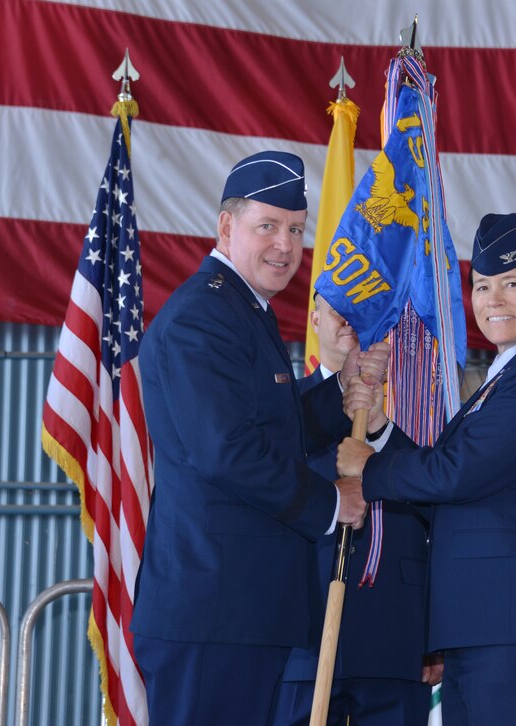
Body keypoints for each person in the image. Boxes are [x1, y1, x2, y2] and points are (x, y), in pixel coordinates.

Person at [132, 150, 384, 724]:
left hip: (240, 613)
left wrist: (337, 385)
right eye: (267, 226)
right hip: (214, 614)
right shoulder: (206, 314)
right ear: (226, 225)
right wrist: (330, 503)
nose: (285, 245)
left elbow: (273, 429)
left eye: (295, 229)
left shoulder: (244, 309)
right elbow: (227, 450)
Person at [338, 212, 516, 726]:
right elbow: (466, 482)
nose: (493, 299)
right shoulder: (507, 376)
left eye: (511, 284)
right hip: (489, 626)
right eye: (481, 286)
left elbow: (458, 472)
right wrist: (384, 431)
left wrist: (369, 470)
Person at [272, 290, 433, 726]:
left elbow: (439, 511)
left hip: (395, 640)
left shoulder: (418, 409)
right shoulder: (281, 412)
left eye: (362, 311)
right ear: (314, 320)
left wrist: (436, 636)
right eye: (336, 309)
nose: (348, 321)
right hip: (301, 641)